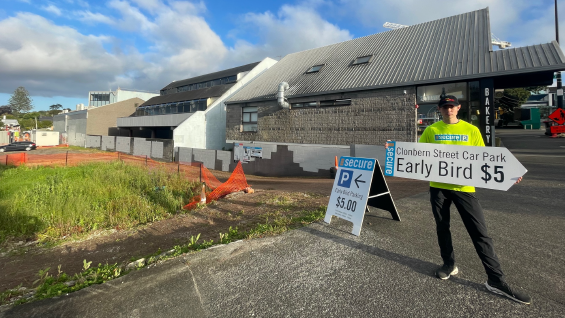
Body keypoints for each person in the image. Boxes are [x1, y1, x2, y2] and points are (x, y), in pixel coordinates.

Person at [387, 95, 530, 305]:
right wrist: (394, 152)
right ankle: (448, 264)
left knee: (480, 232)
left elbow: (485, 159)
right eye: (445, 107)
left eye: (452, 106)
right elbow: (417, 155)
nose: (449, 110)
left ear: (458, 108)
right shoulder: (431, 130)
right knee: (442, 227)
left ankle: (496, 280)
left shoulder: (471, 130)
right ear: (439, 109)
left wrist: (509, 172)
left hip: (464, 189)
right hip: (438, 188)